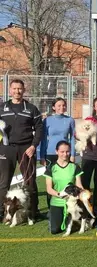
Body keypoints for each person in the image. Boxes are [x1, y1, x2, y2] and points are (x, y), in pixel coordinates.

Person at [0, 79, 43, 220]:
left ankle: (33, 212)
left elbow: (39, 128)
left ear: (24, 90)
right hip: (7, 148)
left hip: (26, 148)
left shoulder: (31, 108)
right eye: (14, 88)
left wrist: (33, 146)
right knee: (3, 182)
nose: (17, 91)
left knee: (30, 181)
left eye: (20, 88)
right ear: (10, 90)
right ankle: (3, 213)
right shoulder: (2, 108)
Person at [40, 98, 76, 208]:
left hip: (65, 154)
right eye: (59, 105)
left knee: (67, 179)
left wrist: (73, 154)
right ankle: (51, 206)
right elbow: (43, 139)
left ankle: (68, 205)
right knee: (51, 181)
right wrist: (42, 156)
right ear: (53, 107)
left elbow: (73, 139)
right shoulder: (47, 120)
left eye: (64, 105)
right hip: (50, 154)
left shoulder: (70, 120)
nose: (62, 107)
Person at [44, 141, 83, 234]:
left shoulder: (75, 167)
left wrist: (83, 194)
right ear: (56, 151)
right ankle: (53, 216)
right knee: (55, 230)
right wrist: (59, 195)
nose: (65, 154)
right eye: (62, 152)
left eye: (67, 151)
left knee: (74, 226)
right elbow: (49, 189)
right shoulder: (51, 168)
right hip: (57, 202)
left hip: (72, 202)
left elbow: (79, 185)